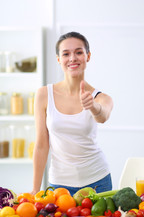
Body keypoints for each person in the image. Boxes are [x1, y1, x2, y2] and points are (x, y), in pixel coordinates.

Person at [31, 32, 113, 196]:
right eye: (66, 54)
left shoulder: (101, 97)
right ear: (59, 59)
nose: (72, 58)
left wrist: (93, 107)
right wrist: (35, 188)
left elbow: (103, 116)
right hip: (59, 185)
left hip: (97, 182)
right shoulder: (43, 94)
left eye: (79, 52)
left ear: (88, 56)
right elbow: (41, 145)